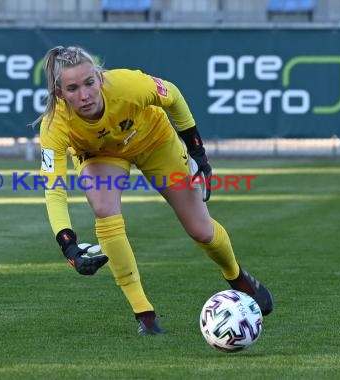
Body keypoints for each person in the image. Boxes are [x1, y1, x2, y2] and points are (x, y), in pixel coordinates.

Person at [34, 46, 273, 336]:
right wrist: (68, 244)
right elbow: (54, 189)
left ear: (100, 78)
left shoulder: (128, 85)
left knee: (201, 230)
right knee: (104, 208)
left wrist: (198, 152)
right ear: (60, 93)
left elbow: (172, 95)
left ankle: (236, 276)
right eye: (72, 88)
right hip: (100, 155)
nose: (84, 96)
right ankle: (144, 315)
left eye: (89, 83)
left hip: (154, 140)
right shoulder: (54, 126)